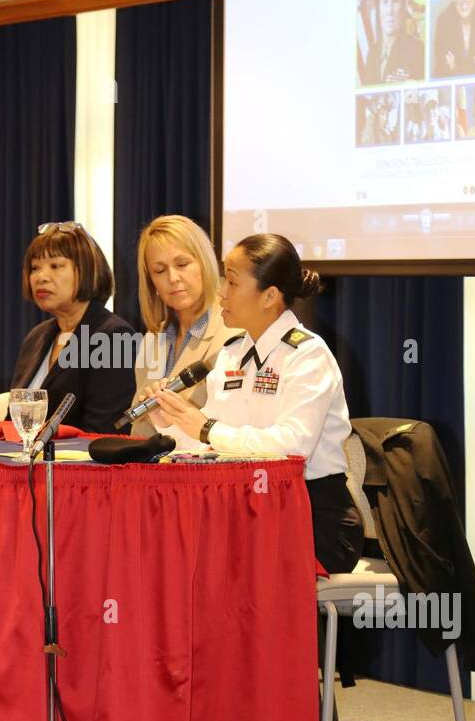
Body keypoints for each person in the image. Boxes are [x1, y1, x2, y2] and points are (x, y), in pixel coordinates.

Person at [149, 233, 364, 574]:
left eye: (232, 282)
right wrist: (171, 419)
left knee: (214, 563)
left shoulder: (308, 355)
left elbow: (292, 447)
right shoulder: (233, 352)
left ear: (269, 297)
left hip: (311, 517)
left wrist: (207, 429)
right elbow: (211, 443)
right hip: (246, 508)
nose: (220, 292)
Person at [11, 222, 137, 434]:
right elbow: (12, 420)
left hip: (76, 463)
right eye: (35, 267)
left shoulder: (113, 336)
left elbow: (105, 430)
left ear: (87, 271)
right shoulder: (37, 336)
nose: (41, 277)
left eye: (55, 266)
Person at [129, 215, 239, 438]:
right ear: (151, 282)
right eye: (159, 271)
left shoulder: (235, 333)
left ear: (204, 263)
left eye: (182, 264)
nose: (173, 278)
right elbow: (139, 427)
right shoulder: (153, 337)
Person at [362, 0, 424, 85]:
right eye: (385, 2)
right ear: (379, 7)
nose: (389, 10)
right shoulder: (372, 52)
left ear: (403, 6)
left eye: (395, 2)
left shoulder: (416, 50)